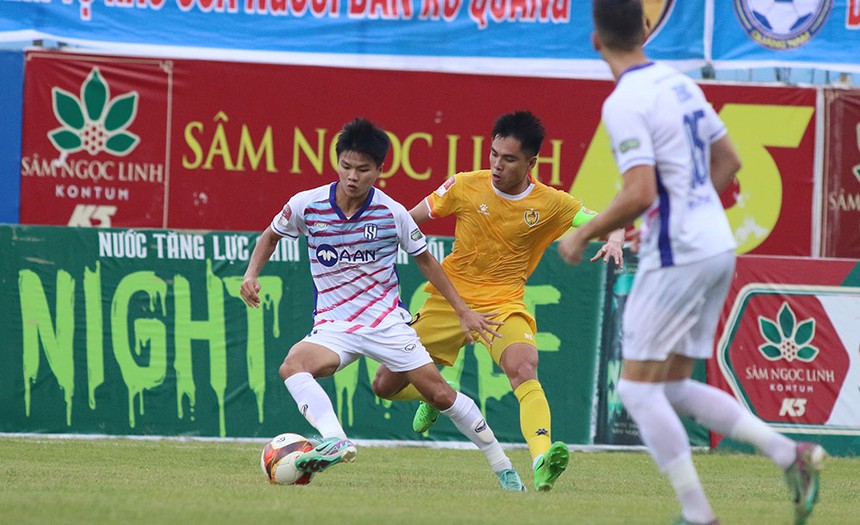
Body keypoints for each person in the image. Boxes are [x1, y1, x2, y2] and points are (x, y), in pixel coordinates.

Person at [558, 2, 825, 524]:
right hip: (715, 245)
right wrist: (688, 209)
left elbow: (639, 191)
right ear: (645, 31)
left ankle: (698, 514)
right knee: (671, 386)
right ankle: (788, 454)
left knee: (635, 389)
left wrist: (582, 234)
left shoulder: (625, 100)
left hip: (678, 252)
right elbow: (730, 160)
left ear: (595, 40)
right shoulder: (680, 84)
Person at [240, 117, 526, 491]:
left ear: (379, 170)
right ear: (337, 162)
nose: (352, 176)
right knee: (293, 366)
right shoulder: (307, 204)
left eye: (362, 169)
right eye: (346, 166)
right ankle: (335, 440)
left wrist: (463, 311)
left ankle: (504, 467)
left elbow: (427, 261)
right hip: (334, 325)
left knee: (440, 395)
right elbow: (270, 235)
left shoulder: (393, 213)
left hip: (386, 323)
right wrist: (251, 274)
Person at [371, 110, 625, 492]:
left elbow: (610, 220)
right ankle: (439, 393)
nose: (496, 165)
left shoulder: (550, 202)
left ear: (530, 163)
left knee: (524, 368)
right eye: (493, 154)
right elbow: (408, 221)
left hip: (502, 305)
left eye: (508, 159)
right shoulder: (464, 185)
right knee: (384, 385)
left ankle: (541, 459)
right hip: (449, 300)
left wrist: (616, 238)